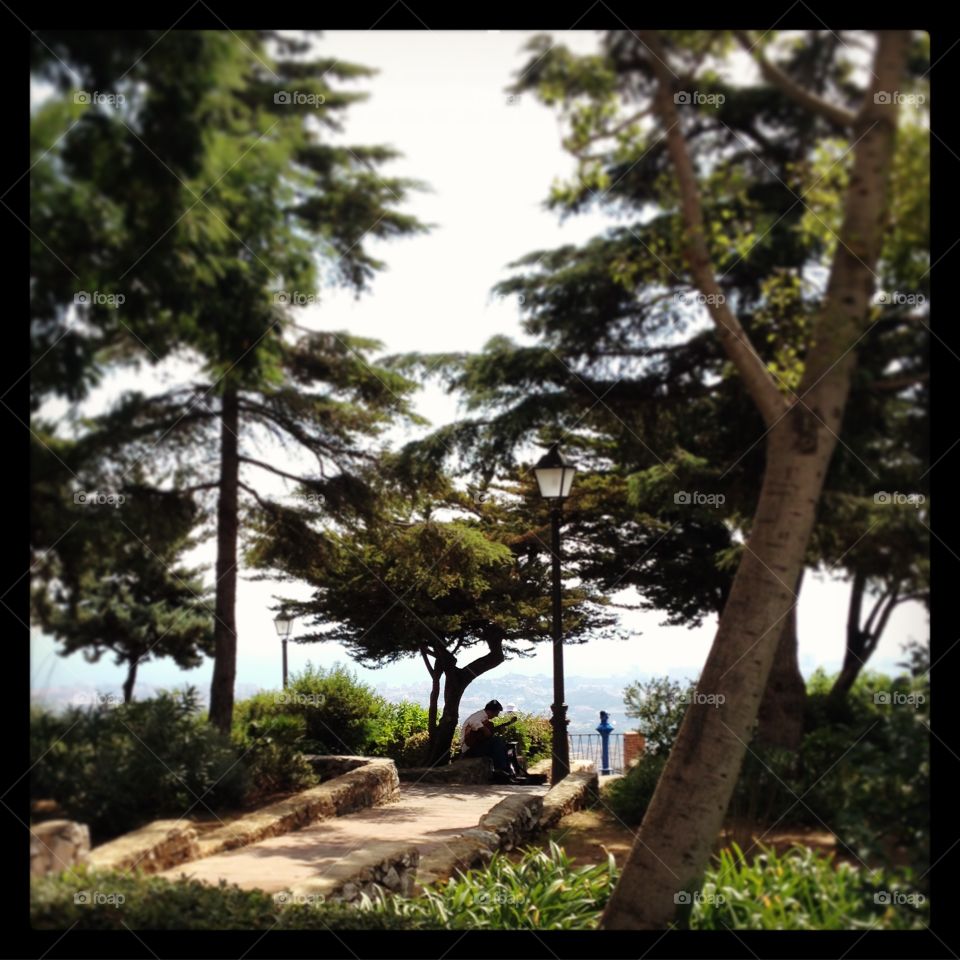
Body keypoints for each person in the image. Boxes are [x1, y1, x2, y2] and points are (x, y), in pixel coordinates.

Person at [460, 699, 519, 782]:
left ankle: (507, 771)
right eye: (496, 713)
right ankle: (501, 770)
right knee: (497, 741)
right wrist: (484, 729)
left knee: (501, 744)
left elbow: (484, 737)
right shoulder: (479, 716)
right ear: (491, 711)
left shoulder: (485, 719)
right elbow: (473, 722)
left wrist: (497, 730)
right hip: (470, 749)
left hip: (477, 747)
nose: (496, 716)